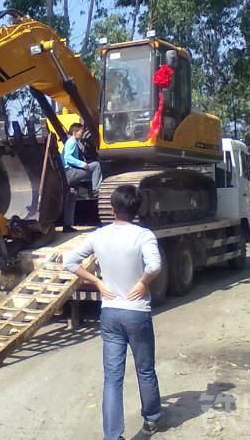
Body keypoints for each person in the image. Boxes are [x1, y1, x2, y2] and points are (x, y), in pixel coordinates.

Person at [64, 185, 162, 440]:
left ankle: (112, 435)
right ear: (137, 209)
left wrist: (96, 282)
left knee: (112, 377)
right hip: (136, 313)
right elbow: (155, 265)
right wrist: (142, 283)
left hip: (110, 313)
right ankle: (151, 419)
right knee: (145, 369)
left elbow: (69, 261)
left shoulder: (99, 235)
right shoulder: (144, 235)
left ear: (112, 209)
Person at [62, 123, 103, 194]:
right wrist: (81, 164)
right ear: (74, 132)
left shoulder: (70, 141)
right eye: (81, 132)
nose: (82, 134)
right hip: (71, 173)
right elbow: (67, 157)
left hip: (68, 174)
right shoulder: (72, 142)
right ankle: (96, 190)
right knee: (96, 165)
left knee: (91, 163)